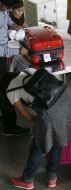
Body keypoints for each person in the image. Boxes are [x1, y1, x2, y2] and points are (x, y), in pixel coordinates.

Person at [0, 69, 71, 189]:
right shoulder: (28, 70)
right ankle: (52, 177)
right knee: (57, 141)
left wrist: (41, 121)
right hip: (66, 100)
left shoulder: (10, 91)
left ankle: (27, 179)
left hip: (50, 110)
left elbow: (28, 117)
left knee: (38, 146)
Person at [0, 0, 29, 136]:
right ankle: (9, 126)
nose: (8, 10)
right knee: (6, 89)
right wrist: (18, 52)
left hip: (4, 51)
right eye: (7, 7)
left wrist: (13, 26)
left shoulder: (4, 9)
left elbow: (5, 18)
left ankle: (4, 119)